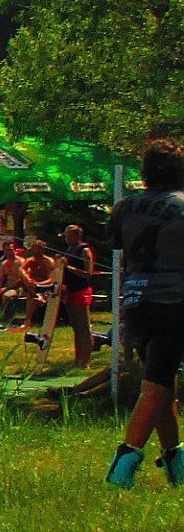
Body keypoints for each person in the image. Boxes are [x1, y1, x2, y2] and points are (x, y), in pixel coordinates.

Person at [108, 136, 184, 487]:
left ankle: (176, 462)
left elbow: (119, 244)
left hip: (135, 303)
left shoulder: (125, 207)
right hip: (174, 302)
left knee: (163, 382)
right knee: (154, 388)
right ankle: (122, 467)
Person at [58, 224, 98, 370]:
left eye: (68, 236)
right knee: (76, 328)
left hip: (81, 290)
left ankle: (86, 361)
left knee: (84, 327)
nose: (66, 239)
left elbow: (88, 273)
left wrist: (68, 268)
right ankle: (78, 359)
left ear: (76, 236)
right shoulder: (69, 250)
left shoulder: (84, 250)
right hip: (70, 291)